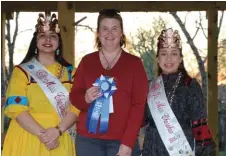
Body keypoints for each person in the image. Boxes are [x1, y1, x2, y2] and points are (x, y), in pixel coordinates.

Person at [70, 9, 148, 156]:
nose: (109, 33)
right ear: (98, 33)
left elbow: (139, 106)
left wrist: (128, 142)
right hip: (88, 140)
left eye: (114, 29)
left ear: (121, 33)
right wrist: (85, 98)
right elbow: (74, 96)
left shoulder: (135, 64)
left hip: (122, 141)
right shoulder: (87, 62)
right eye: (104, 29)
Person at [2, 13, 79, 156]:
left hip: (60, 134)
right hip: (27, 135)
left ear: (59, 42)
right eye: (42, 35)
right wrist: (44, 135)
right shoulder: (22, 71)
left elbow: (77, 106)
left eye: (53, 36)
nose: (48, 39)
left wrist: (57, 131)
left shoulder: (71, 73)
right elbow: (16, 108)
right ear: (35, 41)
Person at [142, 28, 216, 156]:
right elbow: (141, 119)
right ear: (158, 58)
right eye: (164, 53)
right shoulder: (150, 87)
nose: (169, 59)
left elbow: (200, 125)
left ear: (181, 58)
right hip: (152, 147)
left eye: (174, 53)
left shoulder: (190, 86)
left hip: (180, 148)